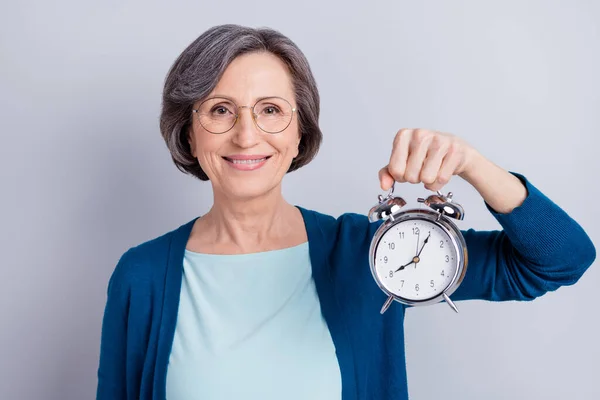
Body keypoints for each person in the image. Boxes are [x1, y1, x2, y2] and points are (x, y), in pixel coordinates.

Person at [96, 24, 596, 400]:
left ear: (300, 134)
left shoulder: (376, 254)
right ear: (189, 131)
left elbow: (559, 260)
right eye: (220, 109)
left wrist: (472, 164)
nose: (246, 135)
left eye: (271, 110)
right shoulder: (141, 277)